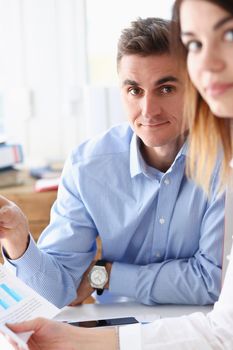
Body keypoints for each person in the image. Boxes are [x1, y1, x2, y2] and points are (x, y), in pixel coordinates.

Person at [6, 1, 233, 349]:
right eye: (134, 90)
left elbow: (211, 281)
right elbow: (58, 292)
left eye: (166, 88)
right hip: (111, 330)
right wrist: (20, 241)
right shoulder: (88, 165)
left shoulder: (223, 159)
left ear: (193, 87)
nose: (148, 110)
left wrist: (105, 275)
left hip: (198, 332)